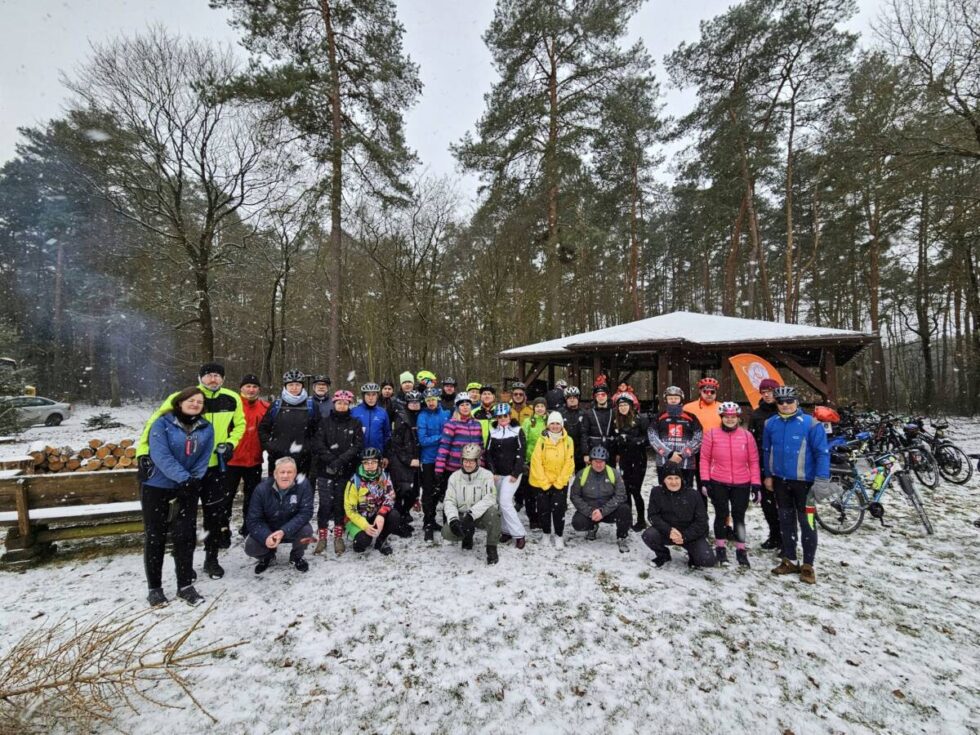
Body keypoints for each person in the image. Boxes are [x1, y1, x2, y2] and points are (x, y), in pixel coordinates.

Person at [135, 362, 245, 581]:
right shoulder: (185, 397)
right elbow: (155, 422)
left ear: (223, 379)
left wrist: (231, 443)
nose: (213, 379)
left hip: (215, 467)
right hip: (186, 470)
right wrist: (143, 452)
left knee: (214, 516)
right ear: (200, 377)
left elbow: (240, 425)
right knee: (184, 521)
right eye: (208, 375)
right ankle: (184, 564)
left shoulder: (232, 398)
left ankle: (211, 558)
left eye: (217, 375)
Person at [141, 387, 214, 607]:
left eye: (199, 402)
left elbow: (204, 456)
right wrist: (183, 478)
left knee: (185, 536)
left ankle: (185, 586)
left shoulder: (206, 427)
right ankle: (155, 588)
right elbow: (160, 455)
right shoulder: (162, 424)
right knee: (156, 536)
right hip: (157, 487)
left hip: (188, 489)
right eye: (191, 400)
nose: (195, 404)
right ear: (180, 403)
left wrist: (193, 480)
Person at [763, 386, 831, 584]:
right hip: (780, 481)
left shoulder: (811, 424)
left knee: (807, 523)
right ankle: (790, 560)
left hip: (805, 483)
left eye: (789, 401)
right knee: (785, 521)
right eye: (780, 402)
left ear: (797, 402)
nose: (785, 405)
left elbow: (822, 453)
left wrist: (821, 479)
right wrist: (768, 475)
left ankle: (808, 565)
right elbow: (767, 450)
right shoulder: (770, 423)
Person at [700, 402, 761, 568]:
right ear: (721, 418)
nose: (730, 419)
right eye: (726, 417)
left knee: (739, 516)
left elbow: (753, 461)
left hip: (742, 482)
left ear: (738, 418)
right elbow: (704, 459)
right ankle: (720, 547)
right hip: (718, 481)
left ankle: (741, 549)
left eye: (733, 417)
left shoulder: (746, 436)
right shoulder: (711, 434)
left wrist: (756, 483)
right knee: (721, 514)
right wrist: (705, 480)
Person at [312, 390, 364, 556]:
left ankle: (338, 535)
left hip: (346, 469)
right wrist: (331, 460)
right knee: (325, 503)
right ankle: (322, 536)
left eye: (345, 403)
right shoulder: (325, 422)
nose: (342, 406)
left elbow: (357, 445)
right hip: (325, 469)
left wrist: (341, 460)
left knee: (340, 503)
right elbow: (318, 443)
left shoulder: (355, 423)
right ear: (334, 404)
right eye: (339, 403)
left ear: (349, 405)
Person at [245, 457, 314, 574]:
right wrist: (266, 536)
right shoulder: (261, 489)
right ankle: (268, 556)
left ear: (295, 474)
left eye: (290, 472)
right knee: (251, 547)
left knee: (306, 531)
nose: (285, 475)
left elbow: (306, 513)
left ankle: (296, 557)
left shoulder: (303, 485)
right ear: (275, 474)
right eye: (282, 472)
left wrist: (284, 531)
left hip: (292, 528)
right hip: (269, 529)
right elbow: (253, 520)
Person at [642, 464, 715, 569]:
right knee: (649, 535)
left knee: (707, 559)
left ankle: (692, 556)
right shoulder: (657, 492)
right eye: (669, 478)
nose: (674, 482)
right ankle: (663, 555)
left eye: (677, 478)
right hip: (668, 532)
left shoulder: (693, 494)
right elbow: (653, 515)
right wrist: (669, 530)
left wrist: (685, 536)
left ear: (681, 479)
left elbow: (702, 521)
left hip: (690, 534)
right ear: (664, 480)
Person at [442, 444, 501, 564]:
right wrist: (453, 520)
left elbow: (490, 498)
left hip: (479, 515)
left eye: (471, 461)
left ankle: (491, 547)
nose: (468, 464)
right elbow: (449, 501)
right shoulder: (454, 477)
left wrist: (471, 515)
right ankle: (467, 535)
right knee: (447, 532)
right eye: (465, 461)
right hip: (461, 515)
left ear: (478, 461)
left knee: (494, 514)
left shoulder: (487, 475)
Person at [227, 374, 268, 538]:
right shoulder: (232, 405)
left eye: (254, 386)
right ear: (241, 388)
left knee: (252, 498)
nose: (251, 390)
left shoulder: (265, 407)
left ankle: (248, 527)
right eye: (248, 386)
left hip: (254, 460)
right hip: (232, 460)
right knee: (226, 497)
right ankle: (223, 529)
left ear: (259, 389)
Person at [258, 369, 319, 478]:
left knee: (301, 488)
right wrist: (271, 446)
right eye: (291, 385)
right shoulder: (277, 405)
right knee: (277, 487)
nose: (294, 388)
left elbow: (319, 431)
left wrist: (309, 447)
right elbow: (263, 428)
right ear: (285, 386)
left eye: (297, 385)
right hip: (278, 458)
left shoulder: (311, 406)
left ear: (302, 386)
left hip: (303, 459)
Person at [570, 446, 631, 552]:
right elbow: (574, 496)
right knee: (578, 523)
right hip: (591, 511)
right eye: (596, 461)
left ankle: (622, 537)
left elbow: (621, 495)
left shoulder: (614, 474)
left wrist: (603, 511)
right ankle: (592, 527)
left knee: (625, 509)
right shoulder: (582, 474)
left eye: (601, 461)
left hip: (609, 511)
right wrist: (590, 512)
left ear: (605, 461)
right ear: (591, 461)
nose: (599, 464)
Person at [528, 412, 575, 548]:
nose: (555, 426)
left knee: (559, 510)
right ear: (548, 425)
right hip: (543, 482)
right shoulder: (542, 440)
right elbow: (536, 461)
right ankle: (546, 533)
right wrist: (544, 482)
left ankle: (559, 535)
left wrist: (560, 482)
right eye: (552, 423)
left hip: (560, 482)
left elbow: (569, 463)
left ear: (562, 425)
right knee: (543, 509)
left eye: (557, 423)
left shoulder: (568, 441)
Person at [344, 447, 401, 555]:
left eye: (373, 462)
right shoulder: (354, 481)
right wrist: (365, 525)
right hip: (358, 518)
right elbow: (350, 510)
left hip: (376, 515)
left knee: (394, 516)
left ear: (379, 462)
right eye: (366, 463)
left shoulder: (384, 476)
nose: (370, 465)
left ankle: (381, 541)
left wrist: (381, 514)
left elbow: (390, 497)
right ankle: (359, 539)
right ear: (362, 464)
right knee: (363, 542)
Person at [484, 402, 527, 549]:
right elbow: (488, 453)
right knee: (499, 502)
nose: (502, 418)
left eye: (505, 416)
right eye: (500, 416)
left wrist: (515, 472)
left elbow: (521, 453)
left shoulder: (517, 430)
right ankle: (506, 531)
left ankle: (519, 534)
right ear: (496, 418)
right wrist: (492, 471)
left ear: (510, 416)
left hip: (512, 474)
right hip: (497, 474)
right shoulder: (493, 431)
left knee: (505, 502)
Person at [748, 378, 781, 550]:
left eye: (770, 391)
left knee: (784, 505)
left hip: (783, 464)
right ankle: (774, 535)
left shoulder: (784, 410)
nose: (767, 395)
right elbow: (751, 441)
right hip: (763, 463)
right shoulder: (756, 415)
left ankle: (786, 538)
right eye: (764, 392)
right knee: (767, 504)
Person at [648, 386, 702, 488]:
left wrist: (683, 454)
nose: (673, 400)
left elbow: (698, 437)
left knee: (686, 492)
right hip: (664, 462)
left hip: (686, 463)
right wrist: (668, 454)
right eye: (670, 398)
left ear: (681, 399)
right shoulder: (659, 417)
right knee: (665, 491)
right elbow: (652, 436)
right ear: (666, 400)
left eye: (676, 398)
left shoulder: (691, 417)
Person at [387, 389, 423, 536]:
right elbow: (396, 444)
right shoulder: (401, 418)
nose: (414, 405)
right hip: (402, 460)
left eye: (417, 402)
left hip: (417, 459)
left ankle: (403, 516)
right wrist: (408, 460)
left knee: (414, 493)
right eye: (411, 402)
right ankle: (398, 523)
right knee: (402, 492)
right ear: (407, 403)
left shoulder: (422, 416)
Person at [418, 387, 451, 541]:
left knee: (444, 491)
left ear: (438, 399)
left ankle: (446, 522)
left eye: (433, 399)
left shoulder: (446, 414)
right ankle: (428, 523)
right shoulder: (422, 416)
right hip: (429, 460)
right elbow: (423, 440)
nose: (431, 402)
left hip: (445, 459)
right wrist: (442, 437)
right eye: (428, 400)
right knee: (428, 493)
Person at [613, 394, 650, 532]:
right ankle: (627, 518)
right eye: (620, 405)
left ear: (631, 406)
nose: (623, 408)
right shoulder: (617, 421)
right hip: (625, 459)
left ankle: (641, 520)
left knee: (636, 490)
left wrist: (634, 440)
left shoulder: (640, 419)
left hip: (638, 459)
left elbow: (648, 439)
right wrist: (618, 441)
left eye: (625, 405)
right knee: (626, 490)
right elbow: (615, 438)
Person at [435, 393, 485, 479]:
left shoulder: (477, 424)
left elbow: (480, 447)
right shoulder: (451, 424)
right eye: (462, 405)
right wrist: (439, 468)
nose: (465, 407)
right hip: (454, 468)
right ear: (457, 408)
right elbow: (444, 447)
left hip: (473, 468)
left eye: (467, 404)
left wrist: (482, 464)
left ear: (471, 406)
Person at [520, 397, 549, 527]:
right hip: (530, 461)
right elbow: (522, 440)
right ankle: (532, 518)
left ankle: (543, 516)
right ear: (534, 408)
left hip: (545, 462)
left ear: (546, 408)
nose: (540, 409)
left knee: (542, 491)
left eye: (542, 406)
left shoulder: (550, 422)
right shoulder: (528, 422)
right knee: (529, 492)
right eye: (537, 406)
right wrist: (523, 460)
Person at [351, 382, 391, 455]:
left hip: (377, 454)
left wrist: (386, 455)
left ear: (377, 396)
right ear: (363, 396)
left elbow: (387, 435)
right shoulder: (354, 411)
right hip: (358, 454)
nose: (371, 398)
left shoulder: (382, 412)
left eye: (374, 395)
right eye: (368, 395)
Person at [583, 385, 616, 466]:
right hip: (594, 450)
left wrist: (618, 453)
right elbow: (584, 434)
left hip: (610, 450)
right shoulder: (588, 413)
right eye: (598, 395)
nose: (600, 397)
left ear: (607, 396)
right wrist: (585, 453)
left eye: (603, 394)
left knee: (610, 473)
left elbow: (616, 433)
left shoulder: (614, 412)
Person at [558, 386, 588, 472]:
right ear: (566, 399)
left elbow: (585, 434)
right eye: (569, 398)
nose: (572, 400)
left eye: (574, 397)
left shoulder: (584, 413)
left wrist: (585, 453)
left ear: (578, 398)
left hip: (579, 451)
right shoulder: (560, 413)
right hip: (564, 450)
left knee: (580, 476)